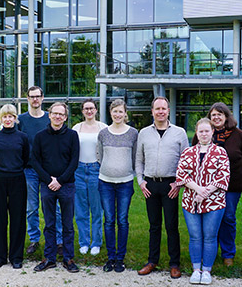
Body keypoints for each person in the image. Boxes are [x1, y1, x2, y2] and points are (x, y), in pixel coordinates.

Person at [136, 96, 189, 279]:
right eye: (157, 108)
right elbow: (138, 160)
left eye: (163, 108)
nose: (160, 111)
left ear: (168, 110)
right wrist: (140, 181)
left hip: (170, 185)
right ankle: (152, 261)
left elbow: (186, 161)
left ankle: (174, 263)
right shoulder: (143, 133)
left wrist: (179, 183)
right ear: (152, 111)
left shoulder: (179, 132)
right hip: (150, 184)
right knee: (154, 225)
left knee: (172, 226)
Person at [192, 102, 242, 266]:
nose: (216, 117)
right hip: (206, 187)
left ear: (226, 116)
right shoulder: (203, 134)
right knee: (209, 219)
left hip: (231, 186)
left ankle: (228, 253)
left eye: (219, 114)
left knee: (228, 218)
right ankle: (210, 252)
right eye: (213, 115)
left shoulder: (239, 135)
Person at [176, 118, 230, 285]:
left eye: (207, 131)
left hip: (214, 202)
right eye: (201, 131)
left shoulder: (220, 152)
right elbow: (181, 174)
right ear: (196, 133)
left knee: (210, 237)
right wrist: (198, 190)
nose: (204, 134)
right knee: (195, 237)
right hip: (191, 201)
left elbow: (224, 175)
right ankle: (196, 269)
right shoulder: (188, 152)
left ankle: (206, 271)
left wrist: (206, 192)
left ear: (212, 132)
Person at [32, 102, 80, 273]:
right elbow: (35, 161)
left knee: (67, 224)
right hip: (46, 186)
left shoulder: (73, 135)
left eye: (62, 114)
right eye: (55, 113)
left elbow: (74, 161)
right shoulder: (40, 136)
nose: (58, 116)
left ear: (65, 117)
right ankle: (50, 258)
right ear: (49, 114)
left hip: (67, 185)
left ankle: (68, 259)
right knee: (49, 224)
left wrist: (60, 180)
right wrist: (48, 180)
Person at [18, 86, 63, 255]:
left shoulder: (49, 118)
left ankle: (58, 241)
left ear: (43, 98)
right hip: (29, 170)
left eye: (38, 96)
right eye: (32, 97)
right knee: (31, 207)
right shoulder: (21, 120)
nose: (35, 99)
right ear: (28, 99)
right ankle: (34, 239)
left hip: (48, 171)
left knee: (54, 207)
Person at [97, 99, 138, 273]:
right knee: (109, 220)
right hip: (105, 181)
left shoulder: (133, 133)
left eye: (120, 111)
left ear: (125, 113)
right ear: (110, 112)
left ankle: (120, 259)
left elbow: (136, 157)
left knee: (122, 220)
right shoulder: (103, 133)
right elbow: (99, 155)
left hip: (125, 182)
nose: (117, 114)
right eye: (115, 111)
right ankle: (110, 258)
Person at [0, 104, 30, 269]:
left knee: (17, 219)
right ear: (1, 119)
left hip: (17, 180)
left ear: (15, 118)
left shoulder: (22, 137)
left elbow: (25, 158)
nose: (7, 119)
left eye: (10, 116)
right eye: (4, 116)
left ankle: (16, 257)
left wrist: (14, 169)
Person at [72, 99, 107, 256]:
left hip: (96, 169)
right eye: (86, 108)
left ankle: (96, 242)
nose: (89, 111)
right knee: (81, 209)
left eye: (91, 108)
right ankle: (84, 242)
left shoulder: (103, 128)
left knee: (97, 208)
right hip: (78, 170)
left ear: (96, 110)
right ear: (82, 111)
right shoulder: (76, 128)